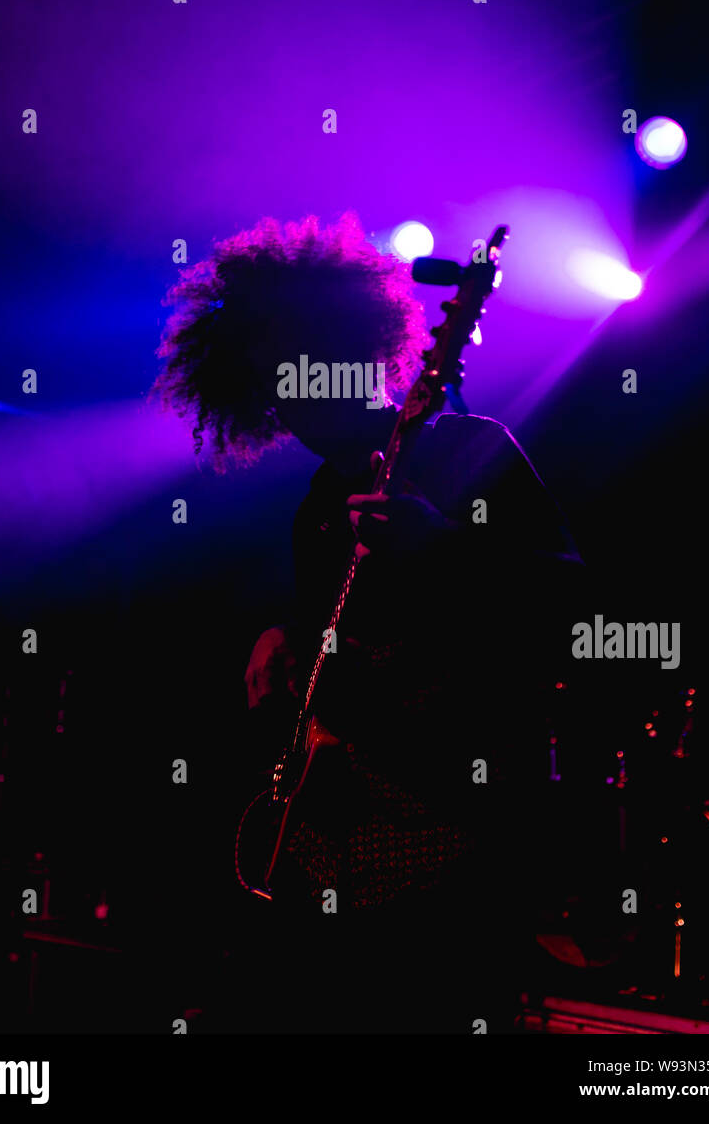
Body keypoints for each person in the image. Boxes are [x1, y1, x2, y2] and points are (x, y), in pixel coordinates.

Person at [155, 212, 584, 1033]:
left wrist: (442, 546)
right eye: (269, 377)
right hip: (334, 852)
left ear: (355, 346)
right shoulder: (316, 510)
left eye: (299, 363)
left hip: (452, 847)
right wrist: (287, 651)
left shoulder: (467, 450)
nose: (289, 394)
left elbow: (574, 603)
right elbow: (344, 667)